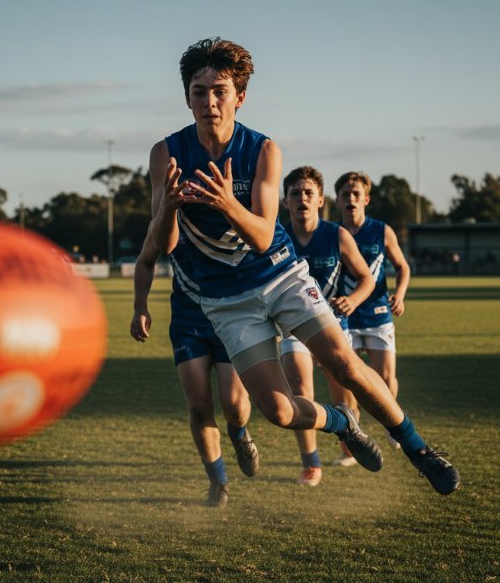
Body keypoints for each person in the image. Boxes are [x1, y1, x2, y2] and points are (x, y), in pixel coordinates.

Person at [148, 37, 458, 495]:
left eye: (219, 90)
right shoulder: (166, 153)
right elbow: (164, 244)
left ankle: (418, 449)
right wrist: (169, 207)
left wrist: (227, 203)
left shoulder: (262, 149)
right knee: (278, 411)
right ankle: (341, 422)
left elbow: (259, 235)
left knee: (345, 365)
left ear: (240, 97)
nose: (209, 102)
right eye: (199, 91)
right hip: (225, 301)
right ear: (186, 96)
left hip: (279, 277)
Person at [131, 213, 260, 509]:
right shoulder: (170, 222)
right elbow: (145, 261)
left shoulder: (231, 215)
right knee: (199, 405)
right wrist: (140, 307)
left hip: (233, 318)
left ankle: (239, 432)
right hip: (189, 321)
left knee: (235, 406)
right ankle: (218, 481)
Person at [279, 166, 376, 486]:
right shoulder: (275, 236)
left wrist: (354, 300)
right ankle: (311, 463)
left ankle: (350, 442)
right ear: (285, 201)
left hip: (334, 325)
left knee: (345, 401)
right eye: (295, 193)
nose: (302, 199)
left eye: (309, 193)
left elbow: (366, 278)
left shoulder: (337, 235)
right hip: (293, 329)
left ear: (321, 200)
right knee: (300, 391)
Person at [331, 171, 414, 465]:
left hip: (378, 313)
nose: (351, 199)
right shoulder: (331, 233)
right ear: (337, 201)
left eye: (356, 194)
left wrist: (400, 295)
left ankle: (393, 423)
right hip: (344, 317)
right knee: (350, 381)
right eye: (345, 195)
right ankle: (356, 444)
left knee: (386, 377)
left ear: (366, 199)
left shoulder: (381, 231)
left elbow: (402, 267)